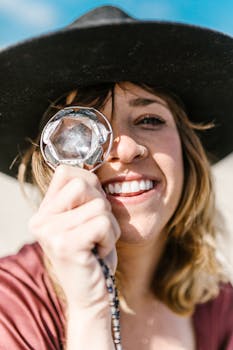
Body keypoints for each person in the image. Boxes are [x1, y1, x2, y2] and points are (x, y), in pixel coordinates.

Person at [0, 5, 233, 350]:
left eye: (149, 120)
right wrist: (90, 309)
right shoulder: (12, 305)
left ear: (187, 150)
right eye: (82, 132)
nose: (125, 150)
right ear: (52, 161)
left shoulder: (221, 308)